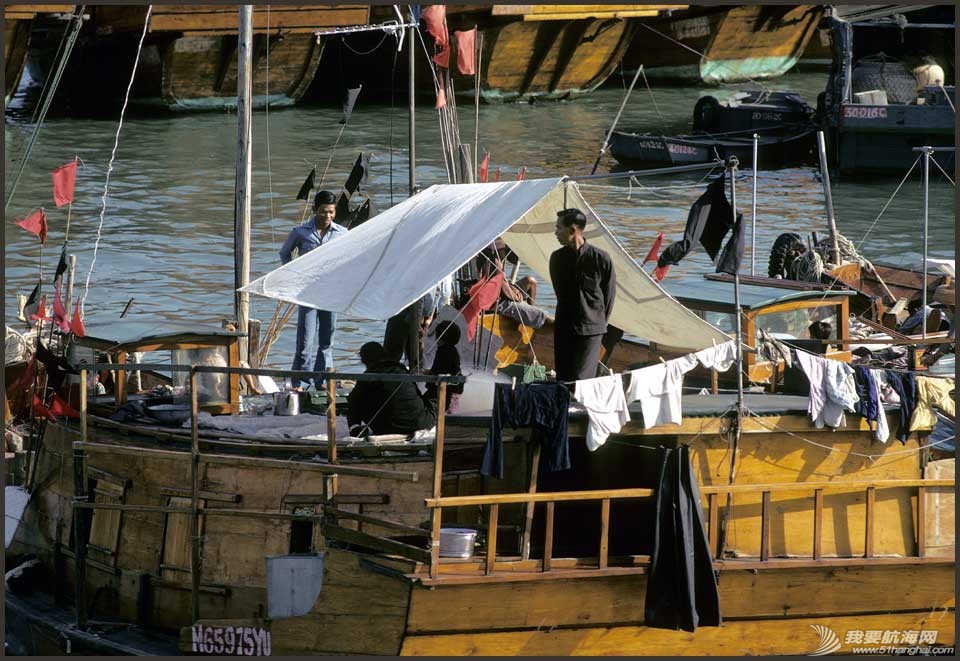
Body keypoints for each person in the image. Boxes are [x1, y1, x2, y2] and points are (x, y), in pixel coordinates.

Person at [279, 190, 347, 387]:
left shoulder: (342, 233)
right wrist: (293, 274)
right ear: (314, 210)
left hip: (331, 294)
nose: (327, 216)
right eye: (324, 212)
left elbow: (352, 256)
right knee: (305, 340)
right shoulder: (300, 232)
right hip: (307, 293)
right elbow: (285, 253)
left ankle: (322, 381)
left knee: (327, 340)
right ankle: (301, 382)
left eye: (331, 212)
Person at [549, 208, 616, 382]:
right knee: (563, 378)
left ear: (572, 230)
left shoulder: (601, 258)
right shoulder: (557, 258)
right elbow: (560, 294)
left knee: (582, 379)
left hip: (591, 330)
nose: (556, 233)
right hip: (565, 327)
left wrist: (597, 321)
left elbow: (608, 296)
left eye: (558, 228)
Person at [347, 341, 437, 437]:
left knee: (357, 400)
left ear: (364, 361)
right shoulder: (401, 370)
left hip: (385, 428)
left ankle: (355, 429)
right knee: (432, 397)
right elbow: (416, 394)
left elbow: (353, 401)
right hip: (419, 423)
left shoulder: (368, 377)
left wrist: (354, 426)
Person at [424, 321, 464, 412]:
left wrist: (429, 373)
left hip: (443, 390)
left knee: (423, 402)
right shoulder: (452, 351)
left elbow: (441, 371)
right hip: (448, 389)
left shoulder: (444, 353)